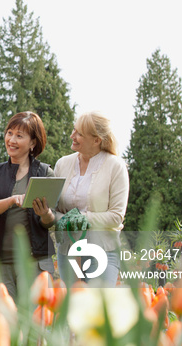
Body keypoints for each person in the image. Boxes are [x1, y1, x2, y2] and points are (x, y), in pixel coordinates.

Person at [0, 111, 56, 300]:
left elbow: (51, 222)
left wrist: (45, 214)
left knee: (35, 322)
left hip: (34, 262)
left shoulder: (45, 173)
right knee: (5, 324)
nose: (11, 140)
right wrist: (12, 200)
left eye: (19, 136)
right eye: (9, 133)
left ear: (32, 143)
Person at [53, 111, 129, 286]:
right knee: (72, 309)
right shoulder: (62, 164)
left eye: (80, 134)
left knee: (96, 310)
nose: (73, 136)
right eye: (74, 130)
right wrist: (58, 218)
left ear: (97, 140)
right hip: (68, 252)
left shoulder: (115, 166)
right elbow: (55, 210)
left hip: (103, 251)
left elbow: (116, 216)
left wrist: (82, 219)